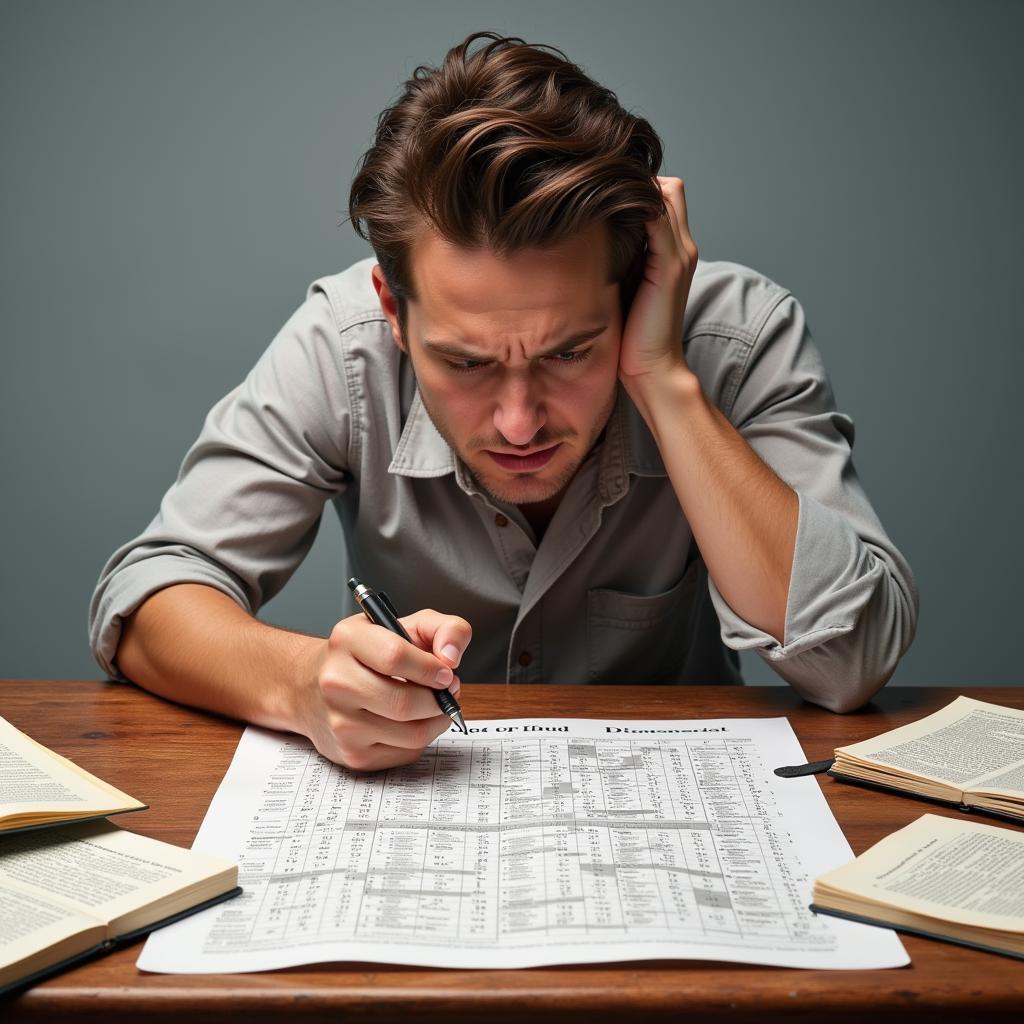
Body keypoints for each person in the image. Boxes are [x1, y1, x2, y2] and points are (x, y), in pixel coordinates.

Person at [89, 32, 918, 771]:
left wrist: (664, 378)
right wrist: (304, 685)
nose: (519, 422)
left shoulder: (736, 339)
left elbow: (850, 661)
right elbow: (150, 599)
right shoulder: (341, 347)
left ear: (636, 291)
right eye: (465, 361)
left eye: (569, 352)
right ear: (392, 308)